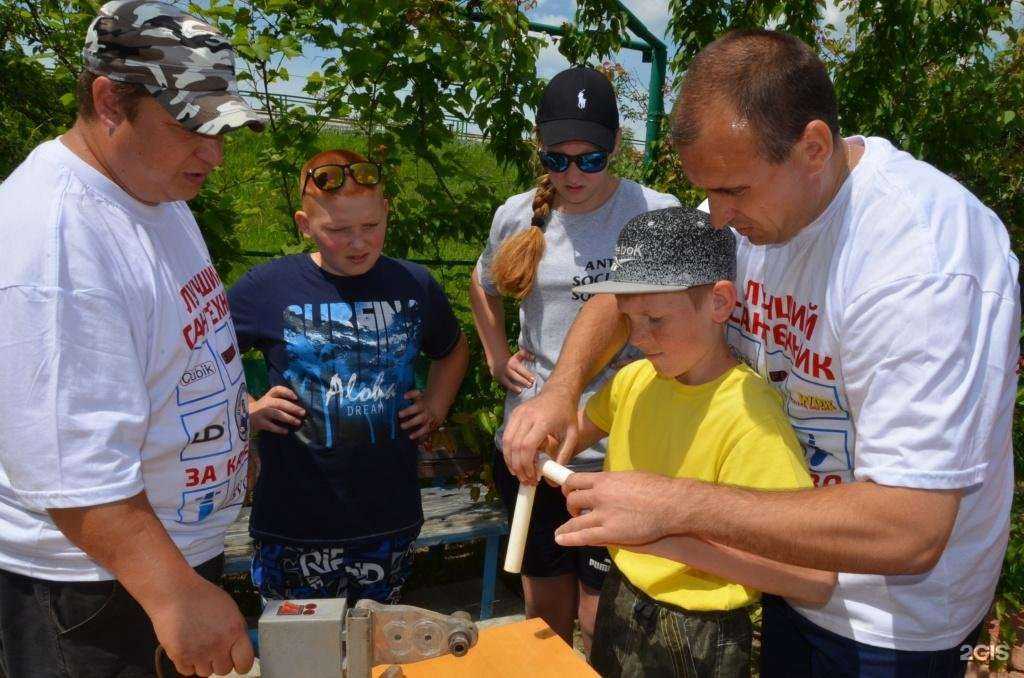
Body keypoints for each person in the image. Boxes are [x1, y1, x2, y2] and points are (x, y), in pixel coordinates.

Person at [503, 29, 1021, 677]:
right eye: (708, 192)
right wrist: (560, 391)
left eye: (733, 193)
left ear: (813, 147)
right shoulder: (755, 197)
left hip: (892, 627)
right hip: (782, 577)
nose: (716, 218)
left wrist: (673, 505)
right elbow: (638, 286)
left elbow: (910, 529)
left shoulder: (923, 263)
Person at [0, 2, 266, 676]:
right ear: (109, 101)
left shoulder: (154, 189)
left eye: (220, 127)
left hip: (156, 562)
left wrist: (232, 446)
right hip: (98, 593)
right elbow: (73, 472)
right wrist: (175, 596)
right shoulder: (57, 242)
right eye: (189, 127)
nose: (214, 153)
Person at [558, 206, 834, 677]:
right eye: (628, 320)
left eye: (656, 320)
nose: (640, 339)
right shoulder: (634, 380)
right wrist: (539, 441)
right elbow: (571, 432)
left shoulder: (749, 415)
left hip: (699, 631)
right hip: (623, 596)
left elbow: (811, 580)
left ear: (720, 302)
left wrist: (663, 537)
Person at [469, 66, 679, 650]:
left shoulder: (654, 211)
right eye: (557, 159)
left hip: (620, 449)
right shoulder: (518, 214)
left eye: (590, 159)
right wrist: (494, 357)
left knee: (602, 617)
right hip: (534, 448)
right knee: (546, 613)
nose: (572, 174)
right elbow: (481, 283)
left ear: (616, 146)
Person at [227, 148, 469, 605]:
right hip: (292, 524)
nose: (358, 243)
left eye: (370, 227)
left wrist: (436, 405)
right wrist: (247, 409)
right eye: (338, 231)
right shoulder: (266, 288)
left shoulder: (414, 285)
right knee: (300, 657)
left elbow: (454, 350)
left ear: (386, 213)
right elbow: (192, 362)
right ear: (304, 225)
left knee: (373, 649)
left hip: (388, 520)